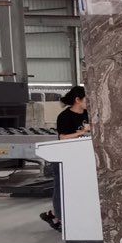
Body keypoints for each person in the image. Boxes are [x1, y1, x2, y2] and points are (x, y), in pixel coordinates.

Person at [40, 86, 91, 232]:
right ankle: (59, 218)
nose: (89, 103)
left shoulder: (88, 114)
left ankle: (54, 215)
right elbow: (63, 137)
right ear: (77, 100)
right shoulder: (64, 116)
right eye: (87, 99)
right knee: (61, 188)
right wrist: (83, 131)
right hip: (65, 157)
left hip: (81, 157)